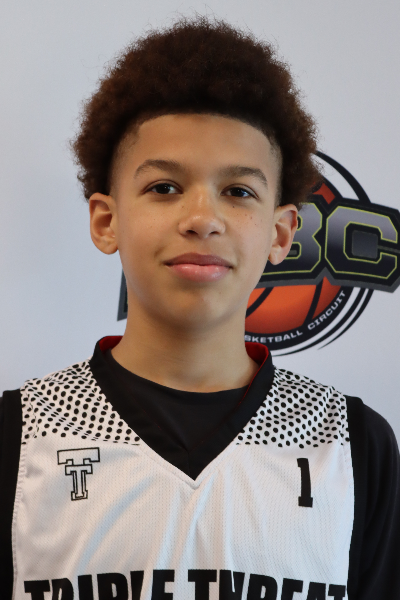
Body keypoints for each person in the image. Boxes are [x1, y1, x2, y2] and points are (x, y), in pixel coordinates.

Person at [1, 17, 399, 600]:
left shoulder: (353, 445)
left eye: (238, 192)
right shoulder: (19, 437)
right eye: (164, 187)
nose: (202, 219)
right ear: (106, 221)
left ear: (281, 234)